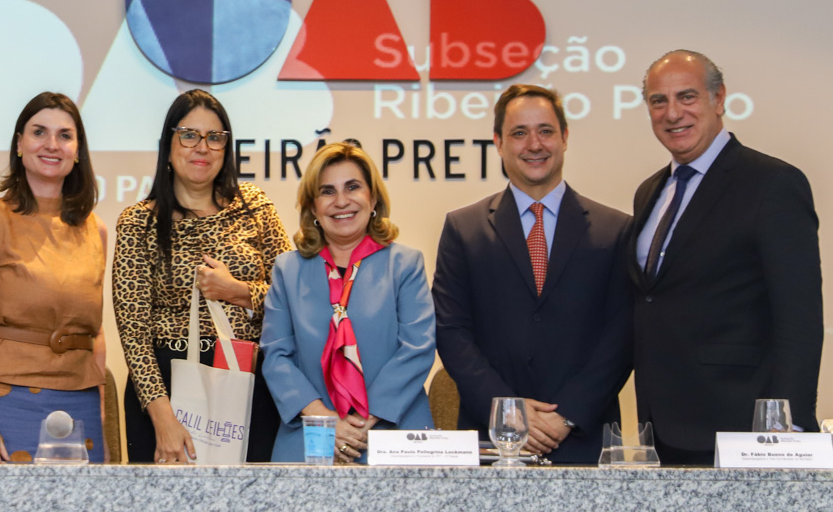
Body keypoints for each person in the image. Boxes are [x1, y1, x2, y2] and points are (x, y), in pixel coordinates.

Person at [631, 50, 823, 465]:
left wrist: (785, 431)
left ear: (719, 100)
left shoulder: (772, 184)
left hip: (743, 427)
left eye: (687, 96)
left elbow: (800, 319)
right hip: (661, 425)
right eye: (658, 101)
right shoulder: (650, 192)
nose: (672, 112)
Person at [432, 85, 632, 463]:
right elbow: (451, 330)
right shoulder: (463, 228)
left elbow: (621, 335)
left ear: (565, 138)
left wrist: (567, 414)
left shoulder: (616, 229)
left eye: (545, 130)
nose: (534, 144)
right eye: (519, 133)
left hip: (584, 441)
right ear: (498, 142)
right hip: (491, 440)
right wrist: (508, 412)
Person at [113, 89, 290, 463]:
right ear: (169, 144)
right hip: (165, 389)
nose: (202, 147)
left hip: (247, 385)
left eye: (215, 137)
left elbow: (294, 298)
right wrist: (163, 420)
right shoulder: (138, 223)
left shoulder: (255, 207)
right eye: (189, 135)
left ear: (226, 148)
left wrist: (239, 292)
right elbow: (134, 335)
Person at [0, 92, 107, 463]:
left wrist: (99, 406)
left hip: (78, 407)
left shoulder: (96, 230)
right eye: (39, 132)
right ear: (19, 143)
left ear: (78, 150)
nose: (52, 145)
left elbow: (95, 333)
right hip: (2, 404)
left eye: (65, 135)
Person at [261, 142, 435, 463]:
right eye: (327, 191)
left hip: (393, 434)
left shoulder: (405, 264)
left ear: (373, 199)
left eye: (352, 187)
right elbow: (276, 357)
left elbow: (417, 348)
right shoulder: (288, 269)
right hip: (310, 435)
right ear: (313, 207)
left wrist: (358, 427)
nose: (341, 201)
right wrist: (326, 422)